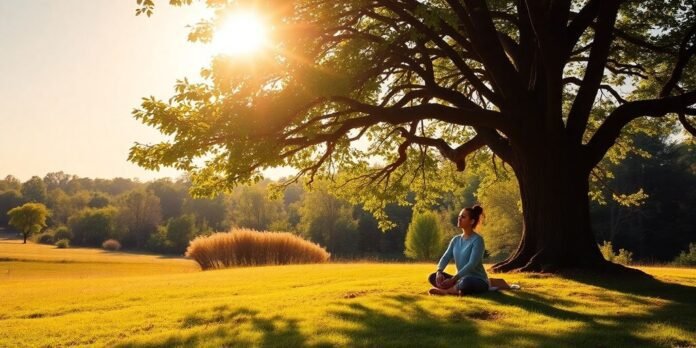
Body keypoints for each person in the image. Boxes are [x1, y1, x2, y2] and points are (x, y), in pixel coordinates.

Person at [428, 205, 490, 296]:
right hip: (459, 279)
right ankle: (456, 290)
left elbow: (472, 264)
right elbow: (446, 257)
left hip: (477, 280)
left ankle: (447, 291)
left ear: (472, 221)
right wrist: (439, 272)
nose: (459, 219)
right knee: (432, 277)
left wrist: (453, 279)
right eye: (459, 216)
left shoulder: (478, 240)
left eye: (463, 217)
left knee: (466, 282)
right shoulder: (456, 239)